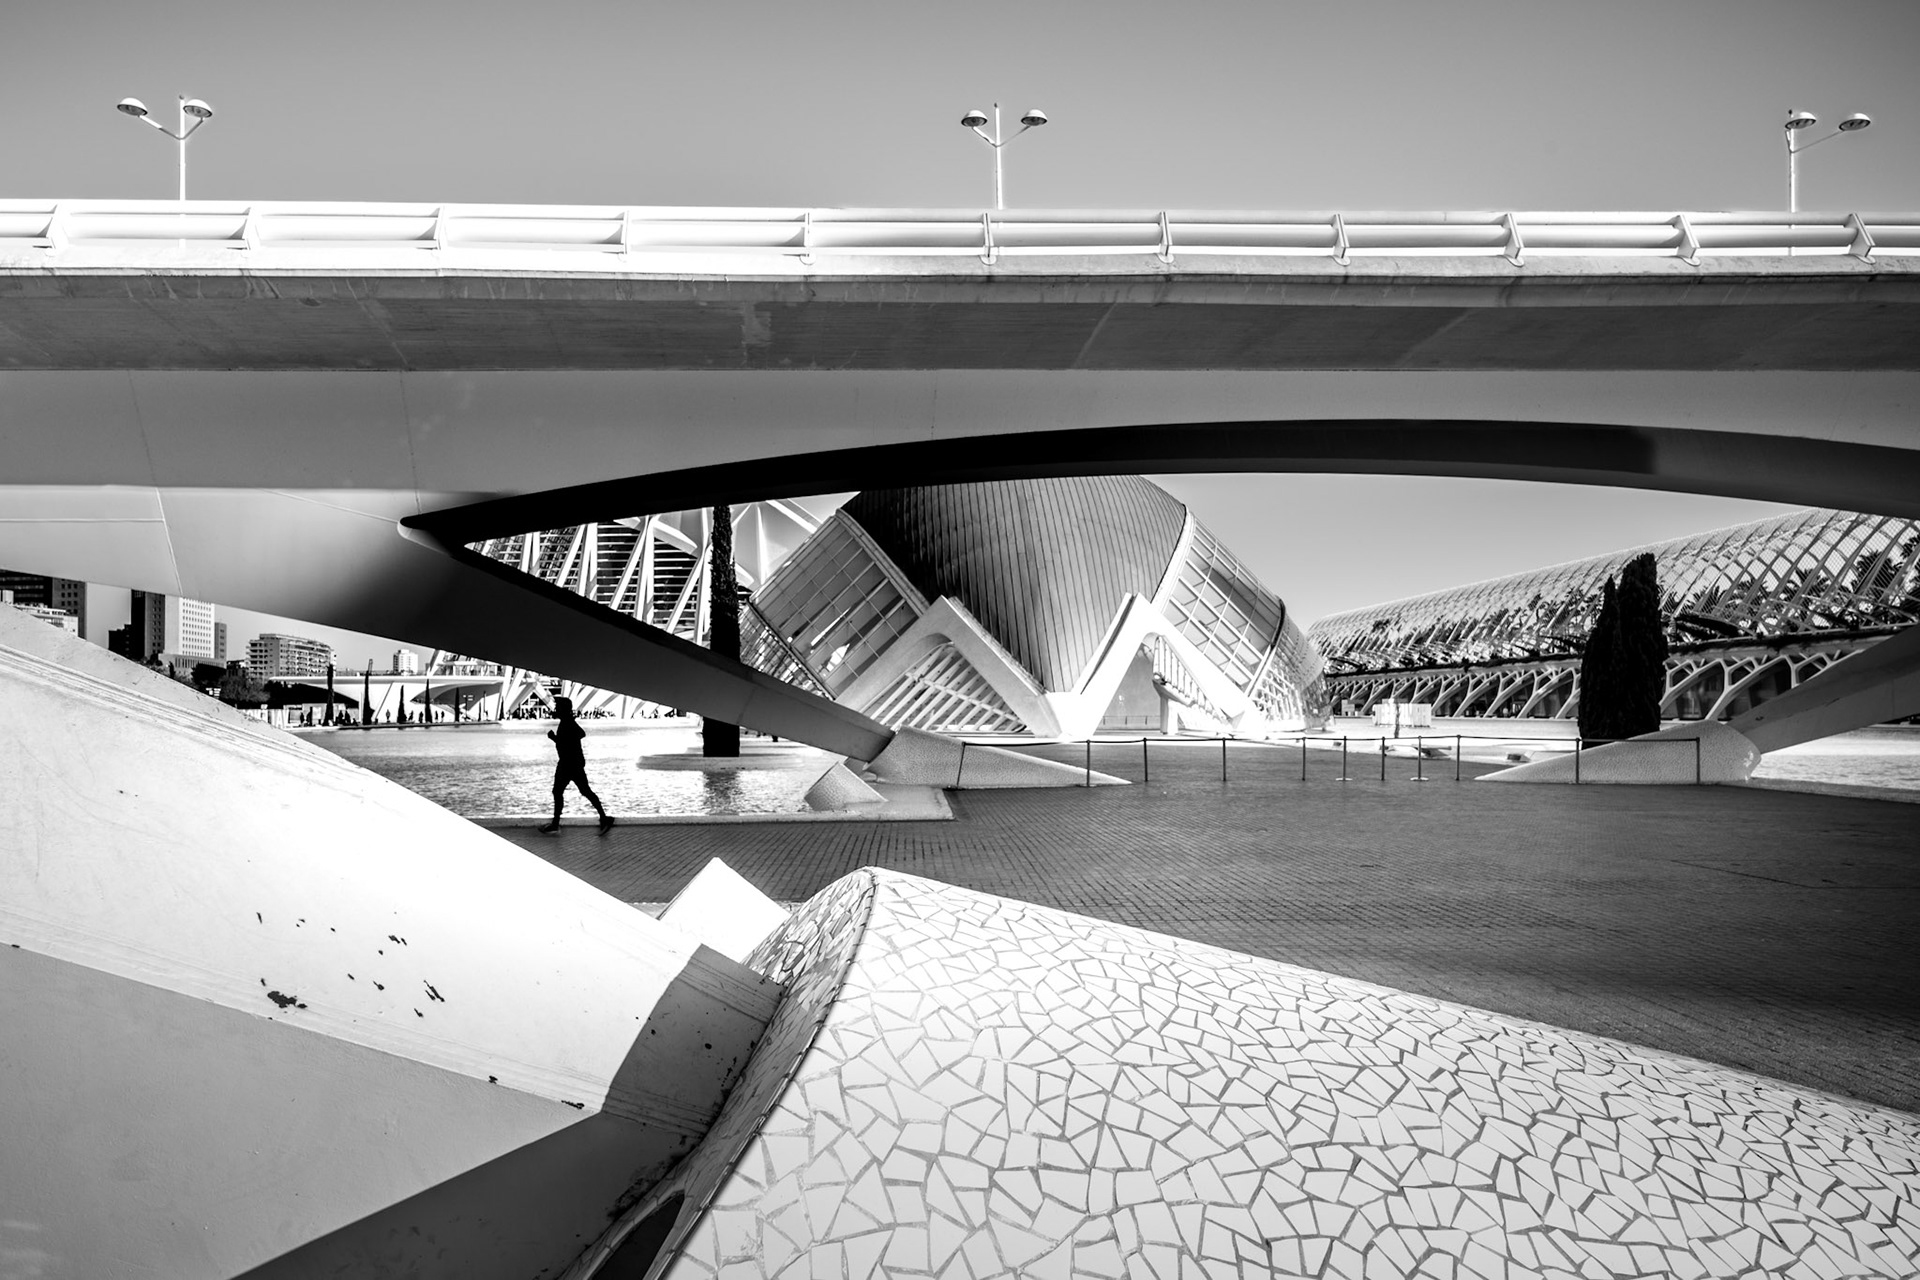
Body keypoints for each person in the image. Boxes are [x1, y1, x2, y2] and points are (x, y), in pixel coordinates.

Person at [538, 696, 614, 835]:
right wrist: (556, 738)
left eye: (558, 707)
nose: (556, 709)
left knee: (571, 791)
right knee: (578, 791)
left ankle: (557, 824)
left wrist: (554, 738)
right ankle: (603, 817)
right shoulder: (566, 722)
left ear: (564, 709)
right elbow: (571, 739)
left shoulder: (567, 722)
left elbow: (578, 735)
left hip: (570, 763)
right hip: (570, 763)